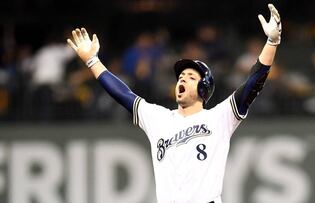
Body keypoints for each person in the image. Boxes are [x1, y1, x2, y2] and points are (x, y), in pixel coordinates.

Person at [67, 4, 282, 203]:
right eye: (180, 76)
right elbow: (123, 94)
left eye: (190, 76)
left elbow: (253, 84)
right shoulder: (158, 118)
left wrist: (271, 43)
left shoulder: (219, 117)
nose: (182, 78)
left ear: (203, 87)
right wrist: (92, 61)